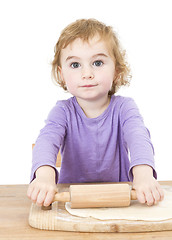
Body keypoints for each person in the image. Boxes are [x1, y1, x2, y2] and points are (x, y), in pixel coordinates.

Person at [27, 18, 164, 208]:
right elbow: (46, 141)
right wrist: (43, 177)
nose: (87, 73)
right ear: (61, 74)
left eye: (97, 63)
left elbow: (138, 137)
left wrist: (143, 175)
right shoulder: (62, 112)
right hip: (71, 201)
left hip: (120, 200)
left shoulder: (125, 108)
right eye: (75, 65)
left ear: (116, 70)